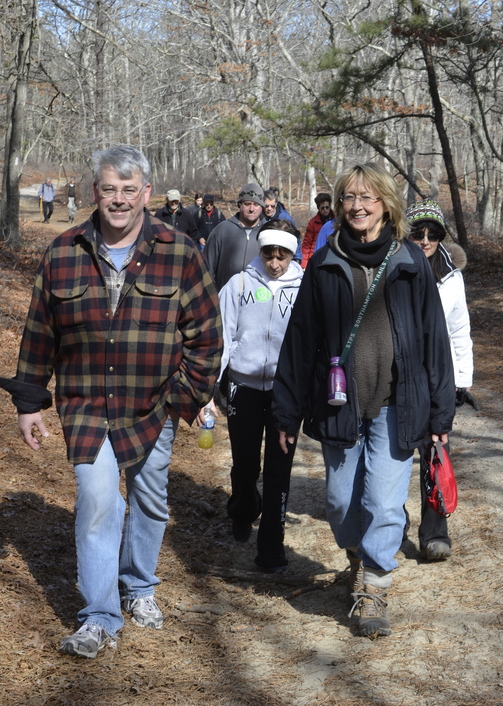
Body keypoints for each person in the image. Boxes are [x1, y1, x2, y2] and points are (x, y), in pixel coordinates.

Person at [3, 146, 222, 658]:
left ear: (146, 193)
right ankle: (99, 615)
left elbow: (207, 335)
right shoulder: (63, 252)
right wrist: (30, 403)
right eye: (109, 190)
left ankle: (140, 585)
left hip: (153, 405)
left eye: (129, 190)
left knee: (149, 500)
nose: (118, 200)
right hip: (86, 406)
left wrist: (182, 398)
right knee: (99, 501)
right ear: (95, 192)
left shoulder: (180, 251)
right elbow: (39, 334)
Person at [272, 163, 454, 639]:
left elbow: (435, 338)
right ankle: (357, 554)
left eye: (368, 197)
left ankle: (373, 583)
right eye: (350, 196)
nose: (358, 205)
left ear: (386, 204)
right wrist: (287, 410)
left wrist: (441, 410)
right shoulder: (324, 262)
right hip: (339, 404)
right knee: (338, 501)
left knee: (385, 503)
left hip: (399, 403)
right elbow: (299, 340)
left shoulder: (410, 262)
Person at [202, 219, 302, 572]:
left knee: (279, 469)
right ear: (260, 251)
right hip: (242, 389)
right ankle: (243, 509)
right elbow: (224, 337)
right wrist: (210, 387)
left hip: (284, 393)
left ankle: (271, 548)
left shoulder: (304, 287)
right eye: (269, 254)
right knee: (245, 463)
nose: (275, 263)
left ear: (293, 252)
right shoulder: (239, 284)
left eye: (282, 255)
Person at [405, 199, 474, 562]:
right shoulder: (395, 266)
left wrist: (463, 379)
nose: (426, 240)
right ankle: (391, 516)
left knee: (436, 451)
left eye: (434, 234)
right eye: (419, 233)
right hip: (399, 374)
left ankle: (434, 531)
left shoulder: (451, 276)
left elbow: (460, 328)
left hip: (439, 377)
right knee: (396, 449)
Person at [204, 183, 267, 291]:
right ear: (240, 204)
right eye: (247, 204)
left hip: (259, 300)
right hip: (225, 299)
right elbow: (205, 269)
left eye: (256, 205)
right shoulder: (222, 231)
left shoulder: (268, 232)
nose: (252, 209)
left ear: (261, 207)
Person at [264, 189, 301, 262]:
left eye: (272, 206)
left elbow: (295, 239)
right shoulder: (258, 217)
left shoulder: (284, 218)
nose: (269, 209)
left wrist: (297, 258)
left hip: (282, 256)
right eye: (266, 206)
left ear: (276, 204)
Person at [301, 193, 334, 268]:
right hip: (316, 255)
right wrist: (304, 264)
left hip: (331, 255)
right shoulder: (313, 223)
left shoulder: (336, 221)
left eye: (327, 207)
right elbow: (307, 244)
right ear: (318, 208)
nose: (325, 210)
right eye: (322, 208)